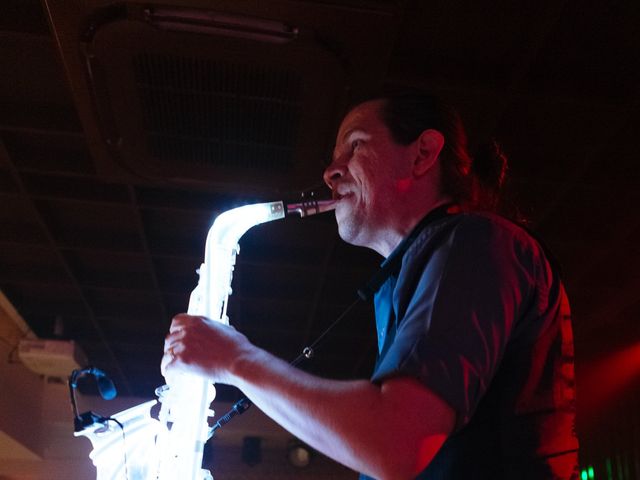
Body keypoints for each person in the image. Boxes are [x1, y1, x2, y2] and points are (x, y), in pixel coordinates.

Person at [162, 94, 579, 479]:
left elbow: (395, 441)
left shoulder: (475, 243)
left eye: (355, 145)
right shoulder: (415, 271)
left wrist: (234, 359)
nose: (330, 172)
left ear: (423, 154)